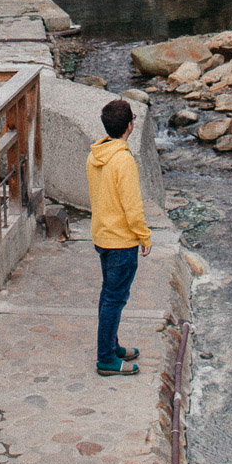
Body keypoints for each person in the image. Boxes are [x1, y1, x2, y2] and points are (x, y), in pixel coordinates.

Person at [86, 97, 152, 377]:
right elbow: (132, 206)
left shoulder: (96, 154)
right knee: (115, 298)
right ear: (129, 126)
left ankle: (111, 346)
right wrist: (144, 236)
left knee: (108, 295)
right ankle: (105, 359)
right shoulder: (123, 160)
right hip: (122, 241)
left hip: (102, 235)